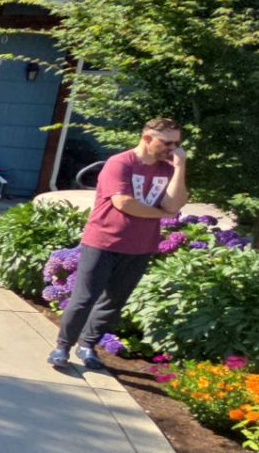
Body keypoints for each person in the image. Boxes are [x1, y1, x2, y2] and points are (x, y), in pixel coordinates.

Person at [49, 117, 189, 371]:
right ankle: (62, 347)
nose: (173, 149)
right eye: (167, 143)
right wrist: (160, 213)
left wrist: (180, 168)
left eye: (176, 143)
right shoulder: (120, 163)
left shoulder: (168, 169)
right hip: (103, 241)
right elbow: (124, 203)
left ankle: (87, 345)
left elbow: (173, 204)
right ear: (147, 139)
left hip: (141, 246)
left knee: (114, 301)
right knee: (84, 298)